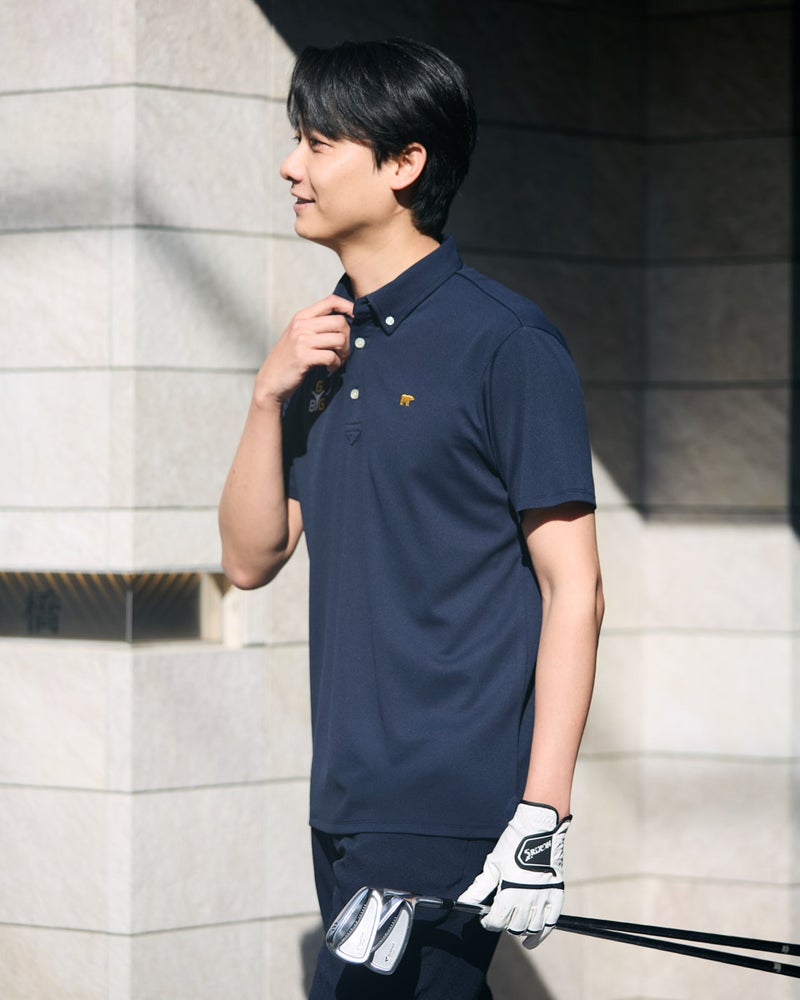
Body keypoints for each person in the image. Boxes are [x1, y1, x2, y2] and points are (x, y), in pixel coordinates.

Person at [219, 37, 604, 1000]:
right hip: (345, 795)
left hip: (447, 800)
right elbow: (250, 557)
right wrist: (266, 397)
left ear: (404, 164)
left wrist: (542, 816)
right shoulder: (324, 341)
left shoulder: (507, 343)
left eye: (318, 143)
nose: (290, 166)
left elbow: (575, 587)